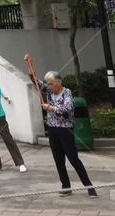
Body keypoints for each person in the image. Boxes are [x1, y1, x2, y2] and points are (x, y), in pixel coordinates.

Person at [31, 70, 97, 198]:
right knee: (58, 159)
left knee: (73, 158)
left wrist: (50, 108)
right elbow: (38, 83)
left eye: (51, 84)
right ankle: (66, 186)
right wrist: (32, 74)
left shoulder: (67, 93)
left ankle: (89, 186)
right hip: (52, 128)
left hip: (65, 129)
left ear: (59, 82)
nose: (49, 87)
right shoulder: (49, 90)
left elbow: (67, 108)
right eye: (48, 84)